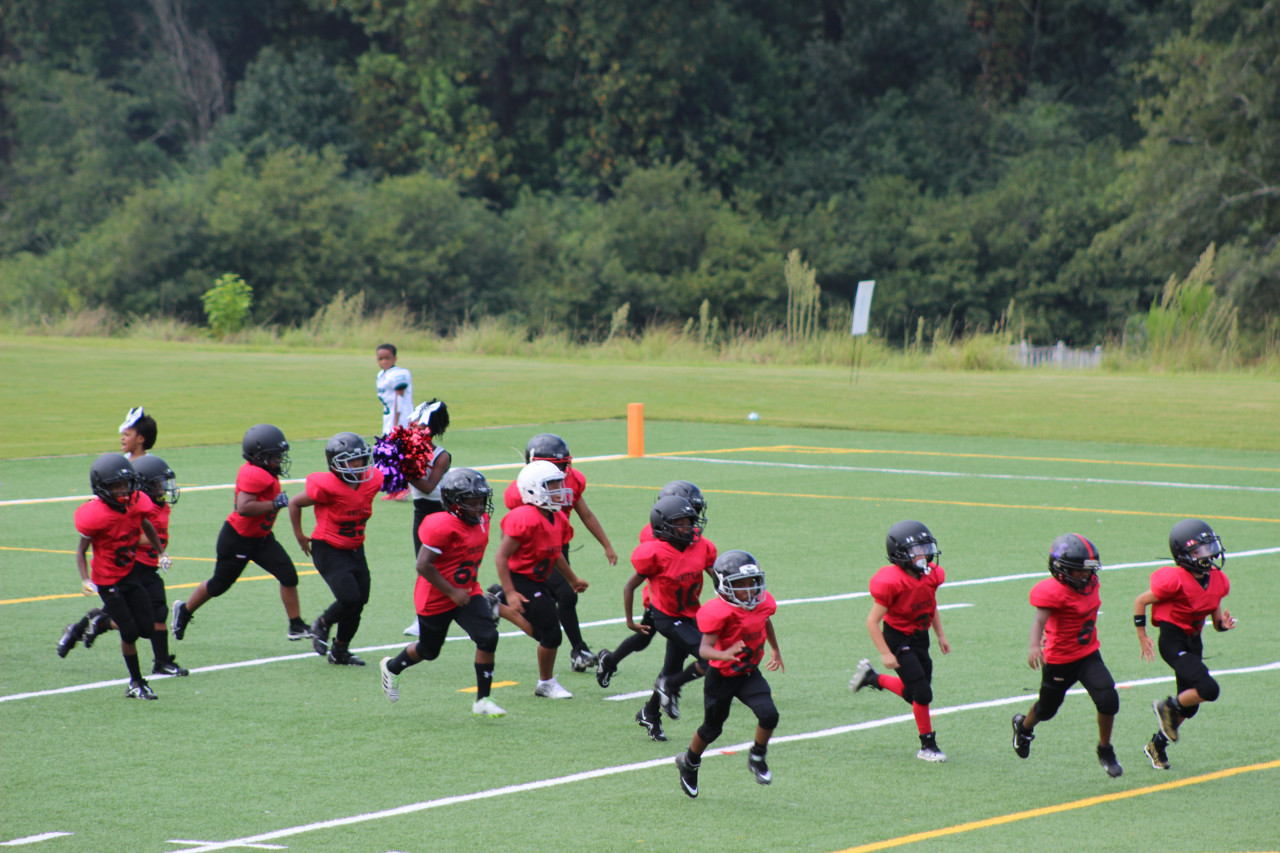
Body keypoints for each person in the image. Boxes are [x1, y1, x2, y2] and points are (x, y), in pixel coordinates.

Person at [380, 468, 508, 716]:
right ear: (454, 503)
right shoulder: (441, 525)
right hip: (437, 596)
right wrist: (451, 592)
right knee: (429, 651)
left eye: (481, 501)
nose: (479, 507)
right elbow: (423, 565)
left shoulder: (482, 520)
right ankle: (392, 667)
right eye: (472, 502)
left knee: (488, 638)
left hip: (468, 591)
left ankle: (483, 700)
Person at [171, 424, 312, 644]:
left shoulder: (263, 471)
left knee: (288, 576)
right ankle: (185, 610)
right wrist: (274, 503)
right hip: (238, 539)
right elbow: (243, 507)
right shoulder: (254, 473)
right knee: (218, 585)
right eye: (274, 456)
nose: (278, 460)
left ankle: (296, 625)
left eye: (279, 455)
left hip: (262, 538)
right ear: (258, 457)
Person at [502, 433, 617, 672]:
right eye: (558, 466)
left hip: (556, 545)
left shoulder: (571, 480)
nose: (563, 473)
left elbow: (585, 513)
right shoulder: (522, 493)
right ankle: (578, 650)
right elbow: (510, 536)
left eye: (565, 464)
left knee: (559, 597)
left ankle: (500, 598)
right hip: (534, 551)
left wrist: (606, 544)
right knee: (565, 595)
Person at [1010, 534, 1122, 777]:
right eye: (1079, 571)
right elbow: (1039, 620)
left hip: (1088, 653)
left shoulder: (1092, 584)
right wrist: (1033, 645)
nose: (1086, 576)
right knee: (1047, 709)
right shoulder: (1052, 591)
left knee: (1109, 699)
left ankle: (1105, 748)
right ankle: (1024, 727)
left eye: (1089, 571)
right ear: (1061, 570)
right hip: (1059, 660)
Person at [674, 550, 783, 799]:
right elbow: (704, 649)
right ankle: (689, 762)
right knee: (712, 729)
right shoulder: (719, 611)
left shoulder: (763, 603)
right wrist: (727, 653)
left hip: (748, 672)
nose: (748, 590)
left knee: (769, 714)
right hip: (722, 676)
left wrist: (775, 649)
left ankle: (757, 757)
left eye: (751, 582)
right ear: (723, 586)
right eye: (740, 585)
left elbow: (765, 620)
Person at [1134, 518, 1234, 771]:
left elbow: (1215, 616)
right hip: (1173, 641)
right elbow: (1141, 600)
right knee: (1208, 689)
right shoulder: (1173, 579)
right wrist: (1142, 635)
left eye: (1210, 546)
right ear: (1184, 554)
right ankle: (1166, 706)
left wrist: (1223, 624)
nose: (1209, 553)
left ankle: (1156, 745)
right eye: (1200, 549)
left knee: (1190, 708)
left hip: (1194, 642)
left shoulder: (1217, 579)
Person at [66, 454, 168, 699]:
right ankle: (136, 682)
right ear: (103, 489)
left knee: (146, 627)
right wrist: (85, 579)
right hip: (107, 580)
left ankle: (99, 622)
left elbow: (147, 524)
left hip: (129, 574)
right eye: (115, 486)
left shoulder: (138, 503)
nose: (123, 490)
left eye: (125, 484)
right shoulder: (95, 515)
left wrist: (161, 552)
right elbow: (81, 551)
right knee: (130, 632)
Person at [849, 519, 951, 762]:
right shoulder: (891, 581)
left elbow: (930, 605)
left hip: (920, 637)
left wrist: (940, 635)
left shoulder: (931, 575)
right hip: (897, 638)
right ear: (900, 554)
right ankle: (928, 745)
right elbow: (872, 621)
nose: (925, 555)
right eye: (918, 550)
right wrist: (885, 652)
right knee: (923, 694)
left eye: (926, 548)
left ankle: (872, 678)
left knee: (914, 693)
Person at [596, 480, 710, 689]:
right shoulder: (655, 537)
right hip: (661, 598)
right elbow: (660, 568)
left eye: (694, 512)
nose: (692, 520)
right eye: (688, 514)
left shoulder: (690, 537)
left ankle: (664, 684)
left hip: (681, 597)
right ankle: (660, 682)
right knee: (646, 639)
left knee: (665, 641)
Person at [625, 495, 717, 742]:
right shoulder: (654, 552)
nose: (689, 527)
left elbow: (715, 576)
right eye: (682, 523)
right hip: (667, 618)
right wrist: (630, 621)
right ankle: (671, 685)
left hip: (691, 614)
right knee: (712, 656)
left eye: (690, 521)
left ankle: (650, 713)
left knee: (672, 667)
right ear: (664, 527)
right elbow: (629, 586)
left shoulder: (701, 547)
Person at [494, 460, 588, 699]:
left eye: (560, 484)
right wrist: (511, 591)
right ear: (534, 489)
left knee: (545, 633)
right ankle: (545, 683)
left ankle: (498, 606)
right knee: (552, 635)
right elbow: (501, 557)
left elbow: (555, 553)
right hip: (520, 579)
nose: (560, 490)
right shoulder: (524, 517)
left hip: (540, 579)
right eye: (553, 485)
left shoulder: (558, 518)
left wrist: (572, 579)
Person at [289, 432, 384, 666]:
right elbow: (295, 502)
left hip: (355, 548)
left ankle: (340, 650)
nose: (358, 465)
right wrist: (300, 535)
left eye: (361, 459)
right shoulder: (326, 486)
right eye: (352, 461)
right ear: (335, 463)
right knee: (349, 597)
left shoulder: (371, 481)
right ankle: (322, 623)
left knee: (359, 601)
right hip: (328, 548)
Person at [403, 399, 452, 637]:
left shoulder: (442, 456)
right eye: (414, 427)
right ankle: (422, 617)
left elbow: (428, 486)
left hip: (440, 514)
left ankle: (440, 614)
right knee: (422, 566)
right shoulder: (408, 450)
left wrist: (404, 470)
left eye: (421, 428)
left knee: (438, 566)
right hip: (420, 514)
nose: (416, 432)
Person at [375, 343, 413, 501]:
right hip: (389, 418)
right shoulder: (381, 374)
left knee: (399, 453)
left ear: (395, 358)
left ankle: (406, 487)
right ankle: (394, 488)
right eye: (380, 358)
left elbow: (399, 397)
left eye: (387, 358)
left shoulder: (400, 373)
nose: (384, 361)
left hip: (401, 418)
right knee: (387, 454)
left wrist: (396, 422)